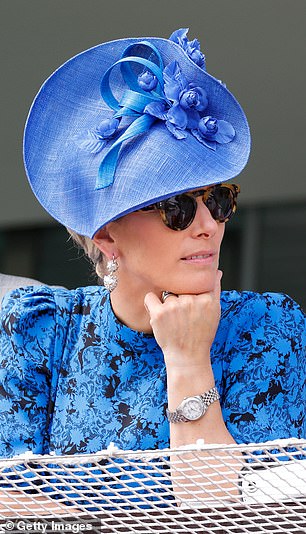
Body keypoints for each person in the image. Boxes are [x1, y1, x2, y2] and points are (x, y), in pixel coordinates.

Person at [0, 28, 305, 510]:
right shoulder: (39, 328)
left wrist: (189, 361)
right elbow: (9, 509)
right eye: (177, 208)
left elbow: (231, 518)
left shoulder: (269, 330)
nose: (208, 226)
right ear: (105, 236)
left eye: (219, 200)